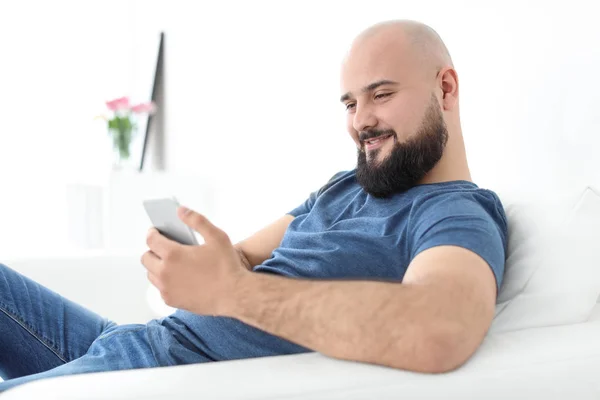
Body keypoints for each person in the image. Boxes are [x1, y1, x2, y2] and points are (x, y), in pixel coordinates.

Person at [0, 19, 507, 392]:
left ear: (445, 88)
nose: (361, 121)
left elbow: (440, 326)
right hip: (138, 340)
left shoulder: (455, 213)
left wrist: (233, 292)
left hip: (156, 372)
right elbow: (241, 259)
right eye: (351, 103)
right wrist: (196, 268)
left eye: (381, 94)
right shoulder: (345, 186)